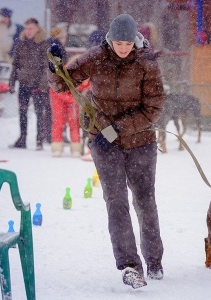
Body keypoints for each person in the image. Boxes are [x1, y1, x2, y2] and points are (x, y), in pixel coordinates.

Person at [48, 13, 165, 288]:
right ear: (110, 40)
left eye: (127, 43)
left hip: (141, 143)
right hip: (103, 143)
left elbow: (154, 108)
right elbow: (64, 83)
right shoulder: (96, 56)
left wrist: (116, 129)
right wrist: (55, 64)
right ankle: (129, 265)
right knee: (116, 202)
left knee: (144, 201)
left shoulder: (147, 63)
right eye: (117, 42)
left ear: (135, 40)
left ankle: (154, 260)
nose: (122, 48)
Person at [8, 18, 49, 150]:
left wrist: (42, 85)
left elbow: (46, 67)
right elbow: (15, 65)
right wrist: (11, 82)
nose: (28, 31)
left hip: (38, 85)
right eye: (26, 28)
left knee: (39, 113)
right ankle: (22, 138)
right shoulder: (21, 44)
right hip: (24, 83)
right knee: (22, 112)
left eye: (31, 28)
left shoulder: (43, 44)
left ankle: (39, 140)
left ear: (37, 29)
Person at [50, 55, 89, 158]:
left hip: (74, 97)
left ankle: (75, 146)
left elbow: (88, 86)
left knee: (74, 121)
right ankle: (57, 146)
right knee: (59, 120)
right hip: (58, 96)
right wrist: (75, 99)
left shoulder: (86, 73)